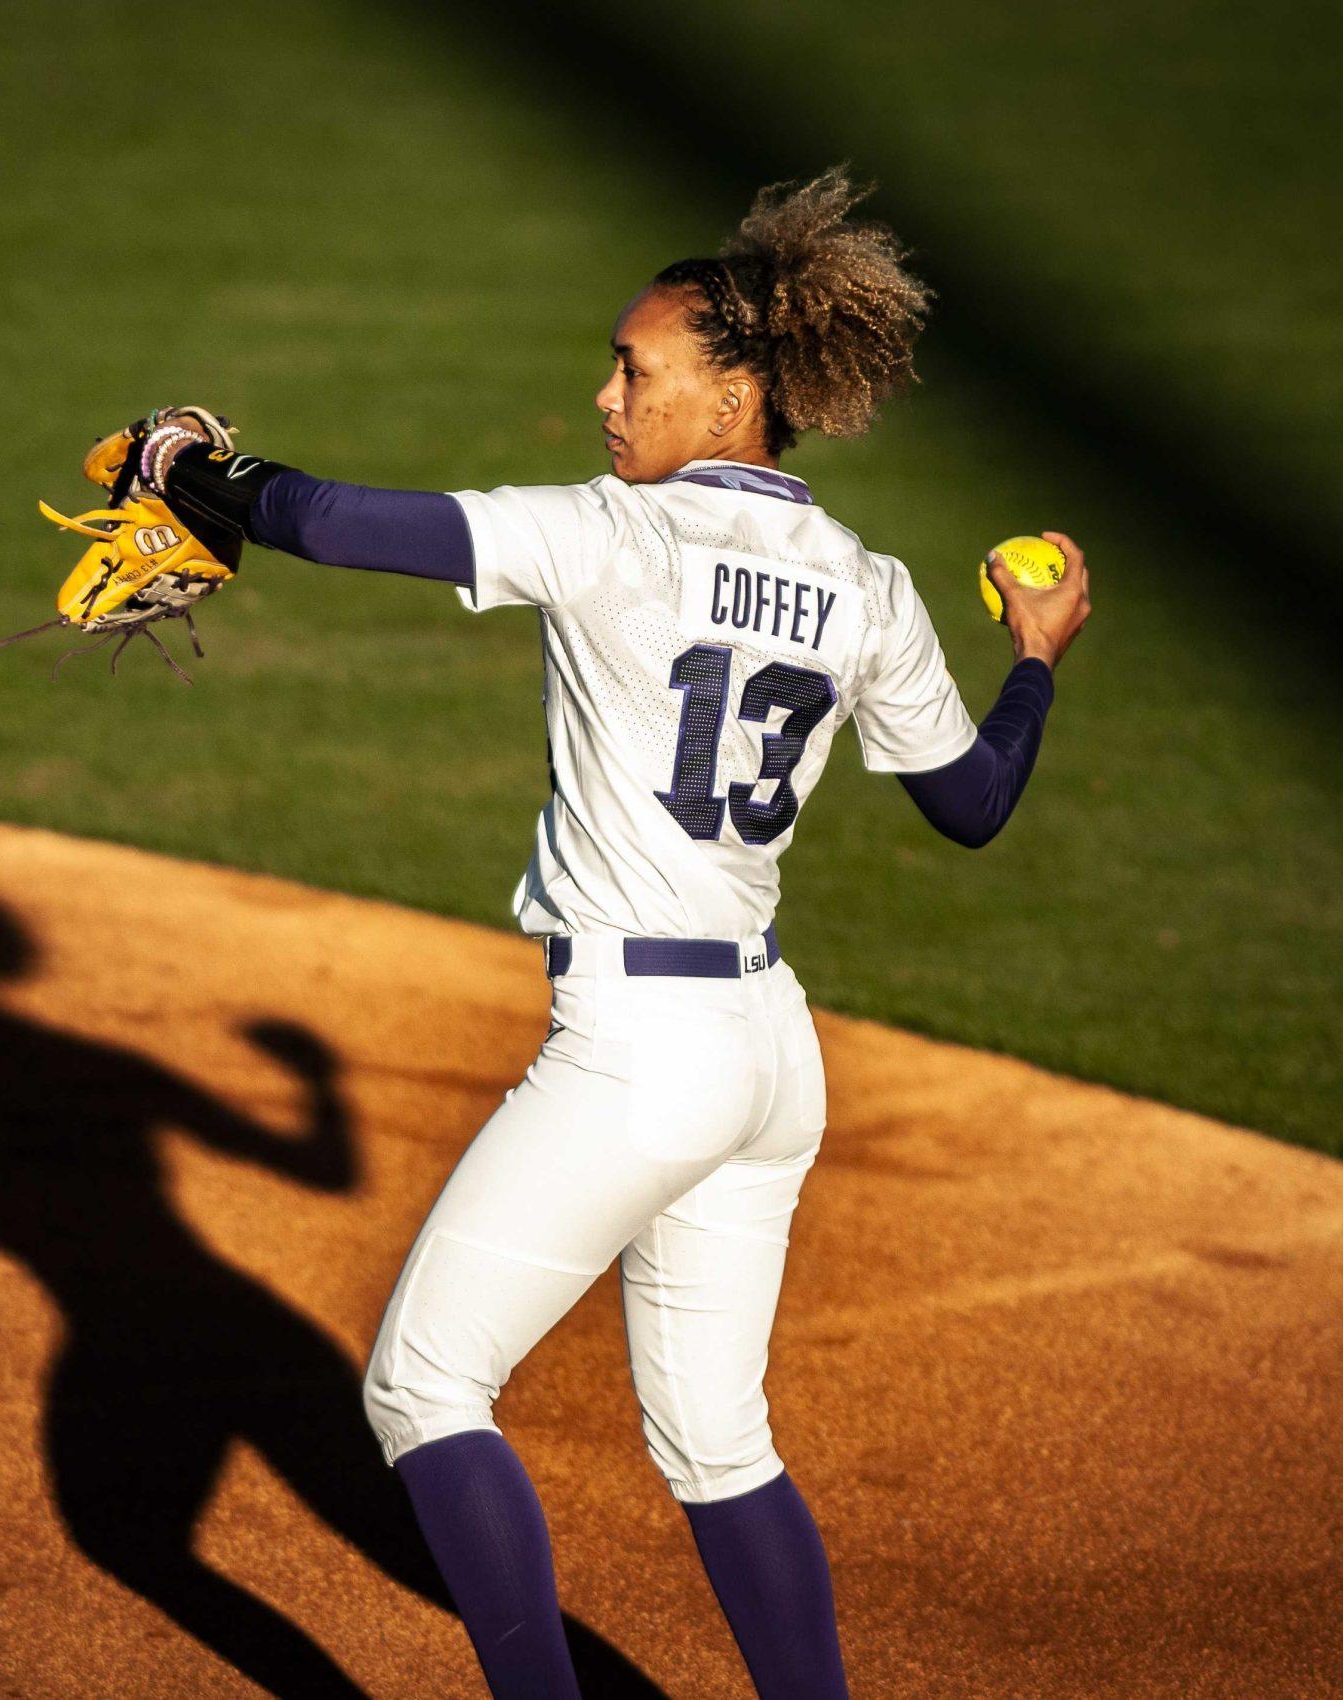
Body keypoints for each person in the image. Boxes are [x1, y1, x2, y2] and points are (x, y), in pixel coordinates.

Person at [125, 171, 1093, 1697]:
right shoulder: (871, 587)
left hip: (640, 1053)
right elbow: (972, 802)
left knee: (426, 1389)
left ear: (731, 402)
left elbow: (329, 520)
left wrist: (192, 465)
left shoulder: (610, 538)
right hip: (770, 1056)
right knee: (716, 1441)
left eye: (637, 370)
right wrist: (1034, 658)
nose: (604, 394)